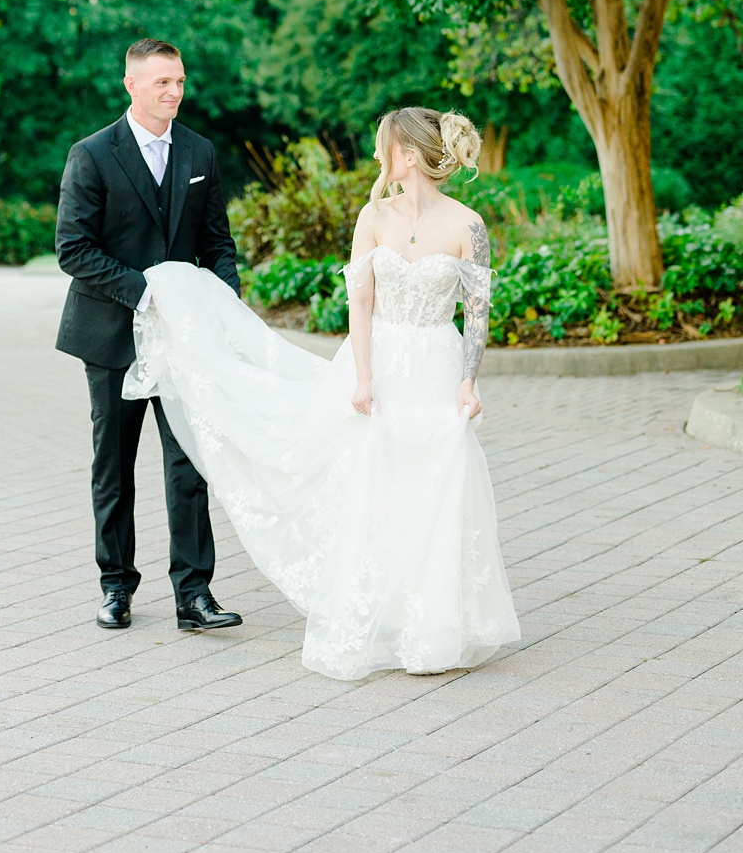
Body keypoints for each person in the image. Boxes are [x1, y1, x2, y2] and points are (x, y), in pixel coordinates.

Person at [123, 106, 524, 680]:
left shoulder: (468, 226)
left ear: (407, 155)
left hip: (435, 363)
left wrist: (468, 380)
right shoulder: (373, 217)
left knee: (434, 488)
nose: (378, 155)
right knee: (373, 485)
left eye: (385, 146)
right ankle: (374, 615)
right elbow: (358, 301)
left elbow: (479, 315)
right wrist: (362, 376)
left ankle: (431, 624)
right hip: (377, 361)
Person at [54, 37, 246, 634]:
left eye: (181, 81)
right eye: (162, 82)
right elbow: (73, 249)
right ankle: (116, 587)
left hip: (184, 341)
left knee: (189, 463)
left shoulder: (200, 152)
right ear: (131, 85)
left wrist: (222, 308)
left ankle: (195, 595)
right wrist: (149, 294)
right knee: (113, 465)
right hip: (110, 337)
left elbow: (216, 242)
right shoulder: (91, 155)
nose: (174, 92)